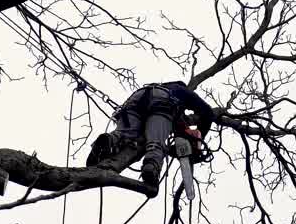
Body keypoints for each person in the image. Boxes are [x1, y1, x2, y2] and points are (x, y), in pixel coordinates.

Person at [86, 81, 215, 196]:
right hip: (162, 101)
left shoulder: (160, 87)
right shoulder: (182, 91)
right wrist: (199, 138)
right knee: (156, 140)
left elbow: (178, 124)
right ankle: (151, 168)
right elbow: (208, 112)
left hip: (137, 98)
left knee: (125, 134)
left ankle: (108, 140)